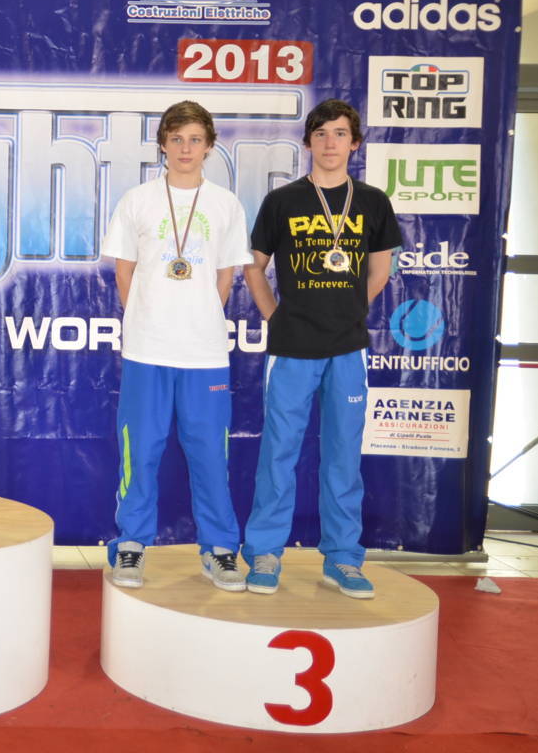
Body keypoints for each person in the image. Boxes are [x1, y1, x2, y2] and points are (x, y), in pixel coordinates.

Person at [242, 99, 401, 599]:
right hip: (292, 347)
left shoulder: (372, 202)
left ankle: (343, 558)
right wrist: (275, 316)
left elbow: (380, 270)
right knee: (278, 454)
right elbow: (254, 267)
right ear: (308, 141)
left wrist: (348, 310)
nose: (330, 143)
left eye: (340, 133)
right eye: (321, 133)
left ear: (355, 143)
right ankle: (265, 552)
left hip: (347, 347)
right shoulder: (283, 201)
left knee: (342, 457)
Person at [99, 101, 253, 591]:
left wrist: (197, 317)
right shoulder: (138, 200)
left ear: (209, 146)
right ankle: (131, 543)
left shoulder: (226, 205)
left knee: (209, 454)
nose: (185, 148)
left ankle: (220, 548)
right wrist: (149, 319)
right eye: (176, 139)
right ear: (163, 145)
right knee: (140, 452)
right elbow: (125, 272)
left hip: (204, 353)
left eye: (195, 139)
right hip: (147, 351)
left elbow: (226, 277)